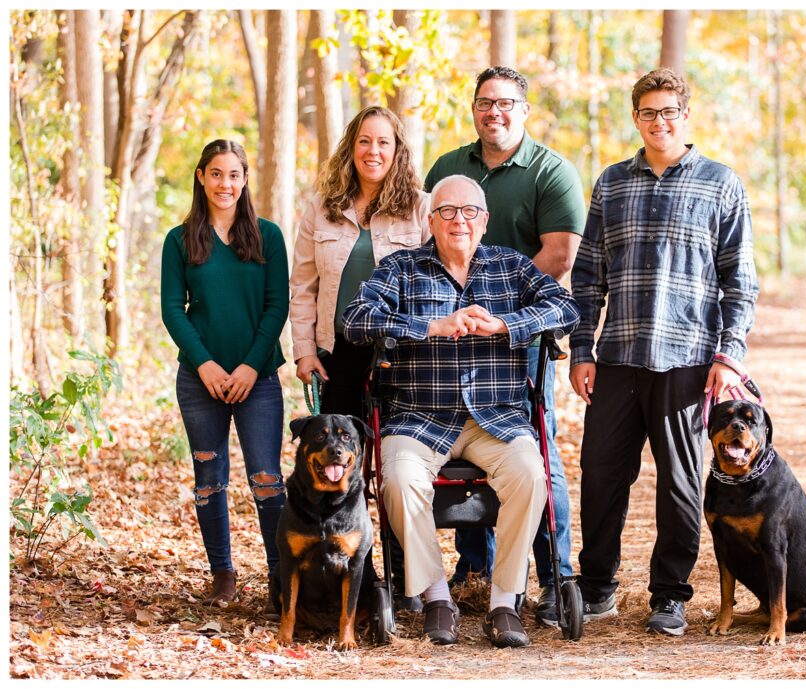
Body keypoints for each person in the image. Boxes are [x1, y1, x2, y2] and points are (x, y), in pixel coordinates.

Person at [341, 175, 580, 648]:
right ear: (431, 220)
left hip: (497, 418)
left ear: (485, 220)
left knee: (532, 475)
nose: (459, 221)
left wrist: (505, 324)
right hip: (418, 417)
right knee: (399, 479)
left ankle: (503, 602)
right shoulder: (402, 268)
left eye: (470, 211)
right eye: (447, 211)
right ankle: (435, 599)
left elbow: (566, 308)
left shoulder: (511, 268)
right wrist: (430, 326)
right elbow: (355, 319)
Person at [569, 68, 759, 636]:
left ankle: (669, 594)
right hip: (619, 356)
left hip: (688, 361)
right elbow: (587, 277)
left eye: (669, 111)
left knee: (679, 482)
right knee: (601, 475)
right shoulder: (610, 183)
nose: (659, 122)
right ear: (636, 118)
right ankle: (597, 586)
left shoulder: (720, 184)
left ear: (685, 116)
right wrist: (582, 349)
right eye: (648, 113)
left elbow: (739, 281)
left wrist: (728, 355)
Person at [424, 66, 585, 627]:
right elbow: (432, 249)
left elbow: (561, 254)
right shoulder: (448, 168)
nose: (496, 112)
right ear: (474, 108)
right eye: (486, 102)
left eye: (507, 103)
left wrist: (498, 314)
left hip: (520, 339)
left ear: (525, 110)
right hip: (456, 342)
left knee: (538, 455)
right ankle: (478, 570)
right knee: (463, 447)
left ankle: (552, 576)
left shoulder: (551, 171)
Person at [289, 106, 431, 612]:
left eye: (384, 143)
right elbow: (302, 286)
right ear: (351, 147)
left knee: (397, 464)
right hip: (340, 355)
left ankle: (405, 577)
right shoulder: (322, 208)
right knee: (342, 467)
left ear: (398, 151)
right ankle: (358, 574)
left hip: (404, 354)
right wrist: (304, 351)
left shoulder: (420, 208)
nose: (374, 152)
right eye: (365, 142)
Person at [161, 140, 289, 608]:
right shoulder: (180, 240)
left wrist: (251, 365)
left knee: (266, 477)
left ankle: (281, 578)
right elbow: (173, 311)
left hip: (258, 381)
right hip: (200, 381)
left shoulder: (268, 236)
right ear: (201, 177)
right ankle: (222, 574)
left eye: (233, 174)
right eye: (216, 174)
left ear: (245, 180)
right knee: (209, 477)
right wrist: (207, 364)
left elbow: (277, 307)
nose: (225, 184)